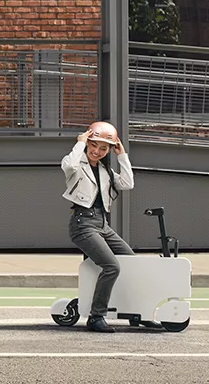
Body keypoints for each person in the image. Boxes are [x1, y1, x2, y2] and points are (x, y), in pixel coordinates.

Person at [61, 121, 152, 333]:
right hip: (83, 224)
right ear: (88, 143)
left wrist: (122, 155)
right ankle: (96, 317)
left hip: (103, 224)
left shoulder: (106, 171)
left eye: (104, 148)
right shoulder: (76, 163)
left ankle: (135, 312)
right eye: (94, 146)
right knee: (112, 266)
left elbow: (128, 183)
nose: (98, 151)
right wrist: (80, 143)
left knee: (131, 262)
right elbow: (69, 166)